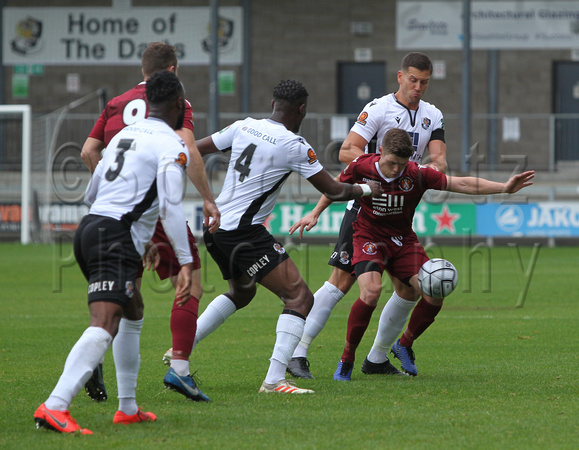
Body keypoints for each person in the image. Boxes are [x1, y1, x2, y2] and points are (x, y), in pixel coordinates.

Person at [191, 80, 383, 394]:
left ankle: (182, 349)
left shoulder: (244, 126)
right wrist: (365, 188)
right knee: (299, 298)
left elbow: (193, 149)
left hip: (215, 229)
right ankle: (274, 380)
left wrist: (206, 195)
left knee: (242, 293)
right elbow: (333, 190)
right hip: (244, 233)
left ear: (272, 104)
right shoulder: (294, 144)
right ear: (302, 109)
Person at [34, 70, 195, 434]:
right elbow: (170, 206)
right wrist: (184, 261)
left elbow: (93, 194)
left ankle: (127, 408)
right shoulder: (171, 144)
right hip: (114, 236)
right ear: (176, 106)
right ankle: (55, 405)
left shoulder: (124, 134)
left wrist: (144, 239)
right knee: (105, 322)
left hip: (91, 227)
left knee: (133, 308)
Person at [322, 128, 534, 380]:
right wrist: (314, 214)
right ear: (380, 152)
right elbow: (334, 187)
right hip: (369, 237)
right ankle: (347, 359)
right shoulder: (361, 166)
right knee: (371, 292)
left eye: (401, 165)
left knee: (436, 291)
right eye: (391, 163)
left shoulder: (416, 173)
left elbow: (461, 183)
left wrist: (504, 188)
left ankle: (404, 344)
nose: (395, 170)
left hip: (402, 241)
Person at [286, 52, 447, 379]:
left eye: (425, 82)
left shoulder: (433, 115)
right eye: (413, 80)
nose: (418, 87)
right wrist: (383, 170)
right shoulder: (378, 109)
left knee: (408, 290)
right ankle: (296, 352)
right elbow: (347, 151)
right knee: (341, 283)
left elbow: (440, 161)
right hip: (364, 209)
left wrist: (419, 172)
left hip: (399, 214)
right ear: (400, 77)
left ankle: (376, 359)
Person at [80, 42, 219, 403]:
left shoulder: (116, 103)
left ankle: (96, 354)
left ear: (143, 69)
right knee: (192, 284)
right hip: (151, 208)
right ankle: (180, 369)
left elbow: (88, 151)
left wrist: (114, 183)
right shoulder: (175, 104)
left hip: (113, 213)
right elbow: (186, 149)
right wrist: (207, 197)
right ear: (172, 71)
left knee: (129, 297)